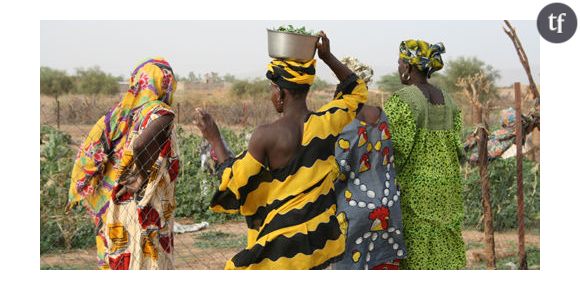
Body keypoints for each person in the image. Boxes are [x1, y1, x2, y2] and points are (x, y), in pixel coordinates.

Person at [193, 32, 368, 269]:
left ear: (281, 92)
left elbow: (235, 181)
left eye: (272, 88)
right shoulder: (328, 122)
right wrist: (327, 56)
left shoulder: (266, 135)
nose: (271, 94)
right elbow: (356, 91)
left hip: (281, 249)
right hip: (316, 242)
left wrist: (214, 139)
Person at [67, 58, 180, 270]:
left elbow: (91, 154)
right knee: (143, 260)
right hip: (144, 205)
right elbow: (139, 146)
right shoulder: (160, 113)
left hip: (114, 201)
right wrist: (140, 177)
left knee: (119, 257)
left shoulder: (120, 114)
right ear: (166, 83)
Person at [383, 40, 466, 269]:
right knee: (446, 243)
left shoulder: (405, 100)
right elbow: (456, 145)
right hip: (448, 186)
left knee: (418, 247)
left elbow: (394, 147)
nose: (398, 68)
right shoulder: (448, 100)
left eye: (400, 63)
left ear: (409, 67)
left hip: (417, 190)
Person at [332, 57, 406, 270]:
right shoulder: (383, 117)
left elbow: (336, 170)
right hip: (389, 203)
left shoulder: (341, 121)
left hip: (353, 209)